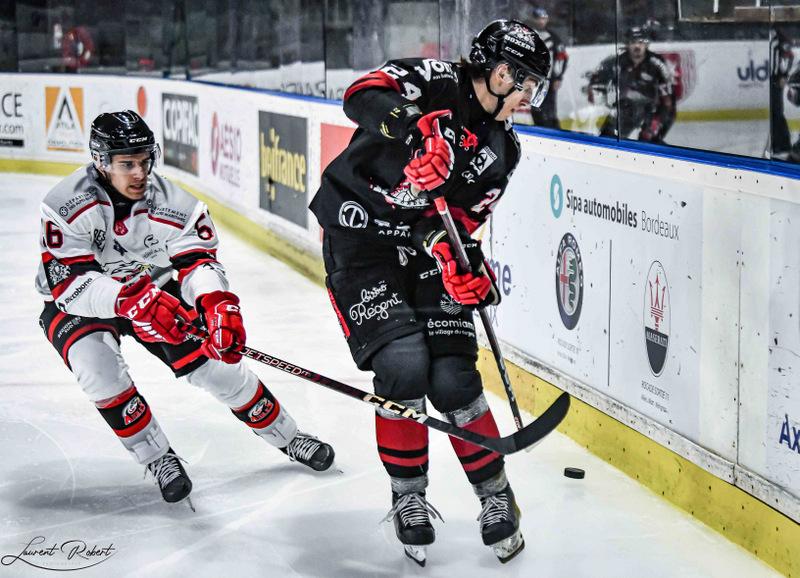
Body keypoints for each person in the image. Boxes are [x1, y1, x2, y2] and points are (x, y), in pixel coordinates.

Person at [309, 19, 550, 565]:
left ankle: (496, 495)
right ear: (501, 73)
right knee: (402, 366)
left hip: (418, 250)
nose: (529, 98)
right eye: (527, 83)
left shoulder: (503, 150)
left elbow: (455, 222)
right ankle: (408, 497)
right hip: (358, 238)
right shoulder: (437, 80)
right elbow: (360, 94)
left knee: (452, 377)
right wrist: (415, 128)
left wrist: (456, 258)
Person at [36, 110, 335, 508]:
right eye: (127, 164)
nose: (139, 173)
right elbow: (70, 285)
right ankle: (157, 457)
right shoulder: (65, 204)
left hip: (154, 289)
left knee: (216, 369)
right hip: (81, 302)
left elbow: (198, 263)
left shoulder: (174, 202)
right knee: (98, 371)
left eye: (144, 161)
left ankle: (288, 435)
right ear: (101, 162)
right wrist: (128, 300)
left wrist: (217, 305)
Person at [587, 26, 675, 143]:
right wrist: (600, 99)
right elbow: (597, 80)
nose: (637, 46)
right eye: (633, 42)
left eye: (641, 42)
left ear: (646, 44)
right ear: (627, 44)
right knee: (606, 139)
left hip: (651, 110)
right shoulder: (617, 60)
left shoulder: (657, 64)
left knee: (648, 142)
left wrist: (657, 121)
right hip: (625, 108)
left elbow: (668, 102)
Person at [527, 6, 568, 128]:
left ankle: (553, 132)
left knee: (550, 110)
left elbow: (562, 57)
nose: (541, 21)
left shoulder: (553, 38)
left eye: (544, 18)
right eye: (539, 18)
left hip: (548, 81)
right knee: (535, 109)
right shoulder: (527, 35)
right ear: (533, 19)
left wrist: (558, 77)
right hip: (532, 80)